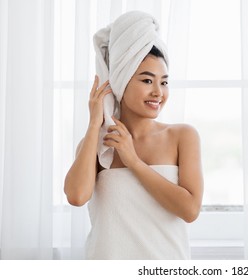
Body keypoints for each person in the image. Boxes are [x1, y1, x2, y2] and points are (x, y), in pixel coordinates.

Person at [64, 11, 203, 260]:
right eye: (147, 80)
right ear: (121, 81)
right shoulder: (96, 144)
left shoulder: (183, 136)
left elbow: (190, 210)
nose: (158, 92)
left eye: (164, 82)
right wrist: (95, 122)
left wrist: (134, 162)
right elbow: (76, 196)